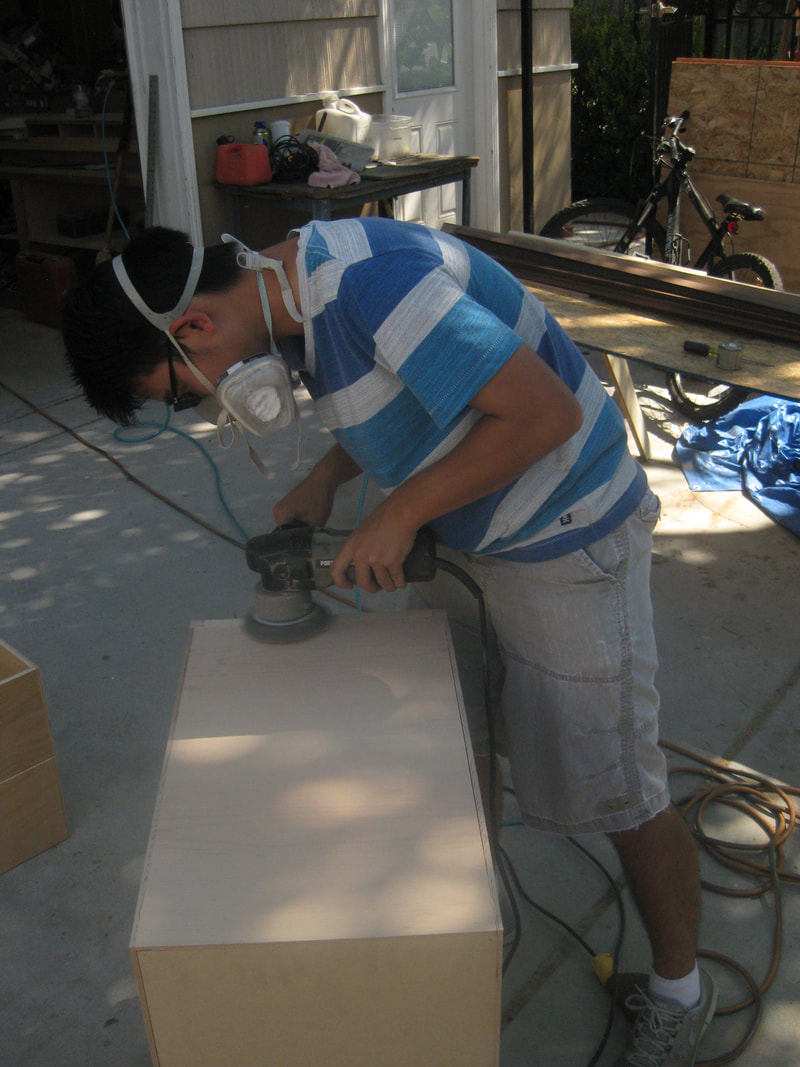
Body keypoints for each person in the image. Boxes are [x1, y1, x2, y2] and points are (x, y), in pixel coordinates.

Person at [61, 217, 716, 1066]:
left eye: (187, 392)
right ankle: (456, 948)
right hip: (478, 527)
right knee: (458, 744)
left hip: (566, 531)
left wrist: (400, 511)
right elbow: (405, 384)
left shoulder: (371, 286)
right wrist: (329, 478)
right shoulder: (288, 298)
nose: (210, 402)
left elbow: (542, 414)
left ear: (193, 327)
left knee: (619, 785)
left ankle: (680, 994)